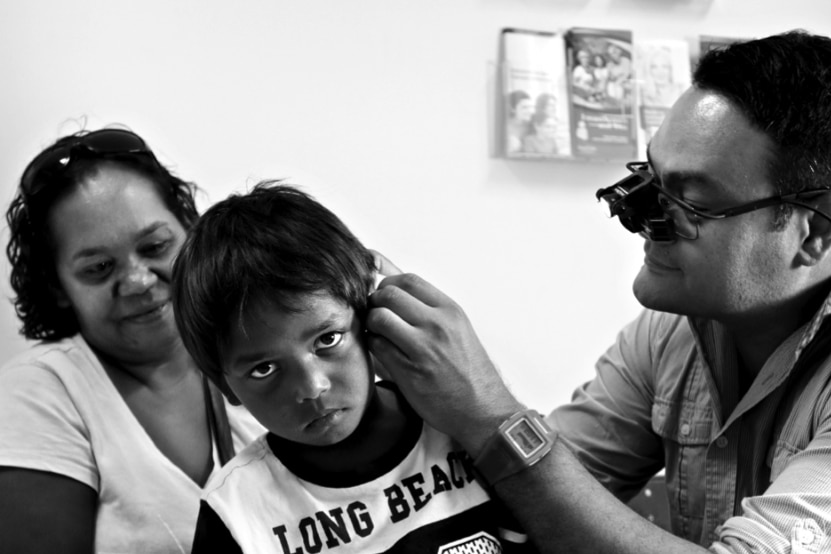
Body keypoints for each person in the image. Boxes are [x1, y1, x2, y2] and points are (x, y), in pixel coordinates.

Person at [366, 30, 831, 553]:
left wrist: (491, 413)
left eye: (692, 201)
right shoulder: (670, 334)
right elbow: (533, 492)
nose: (635, 217)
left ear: (812, 235)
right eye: (649, 178)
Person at [171, 182, 535, 553]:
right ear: (224, 385)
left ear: (370, 316)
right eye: (264, 369)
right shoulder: (235, 515)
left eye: (327, 340)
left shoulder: (460, 429)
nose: (312, 387)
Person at [0, 128, 263, 554]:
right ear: (57, 287)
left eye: (156, 246)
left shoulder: (268, 343)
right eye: (99, 267)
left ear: (190, 230)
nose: (139, 281)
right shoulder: (41, 394)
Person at [506, 89, 534, 154]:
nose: (530, 111)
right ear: (513, 109)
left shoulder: (534, 126)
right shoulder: (505, 127)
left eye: (531, 107)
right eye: (525, 107)